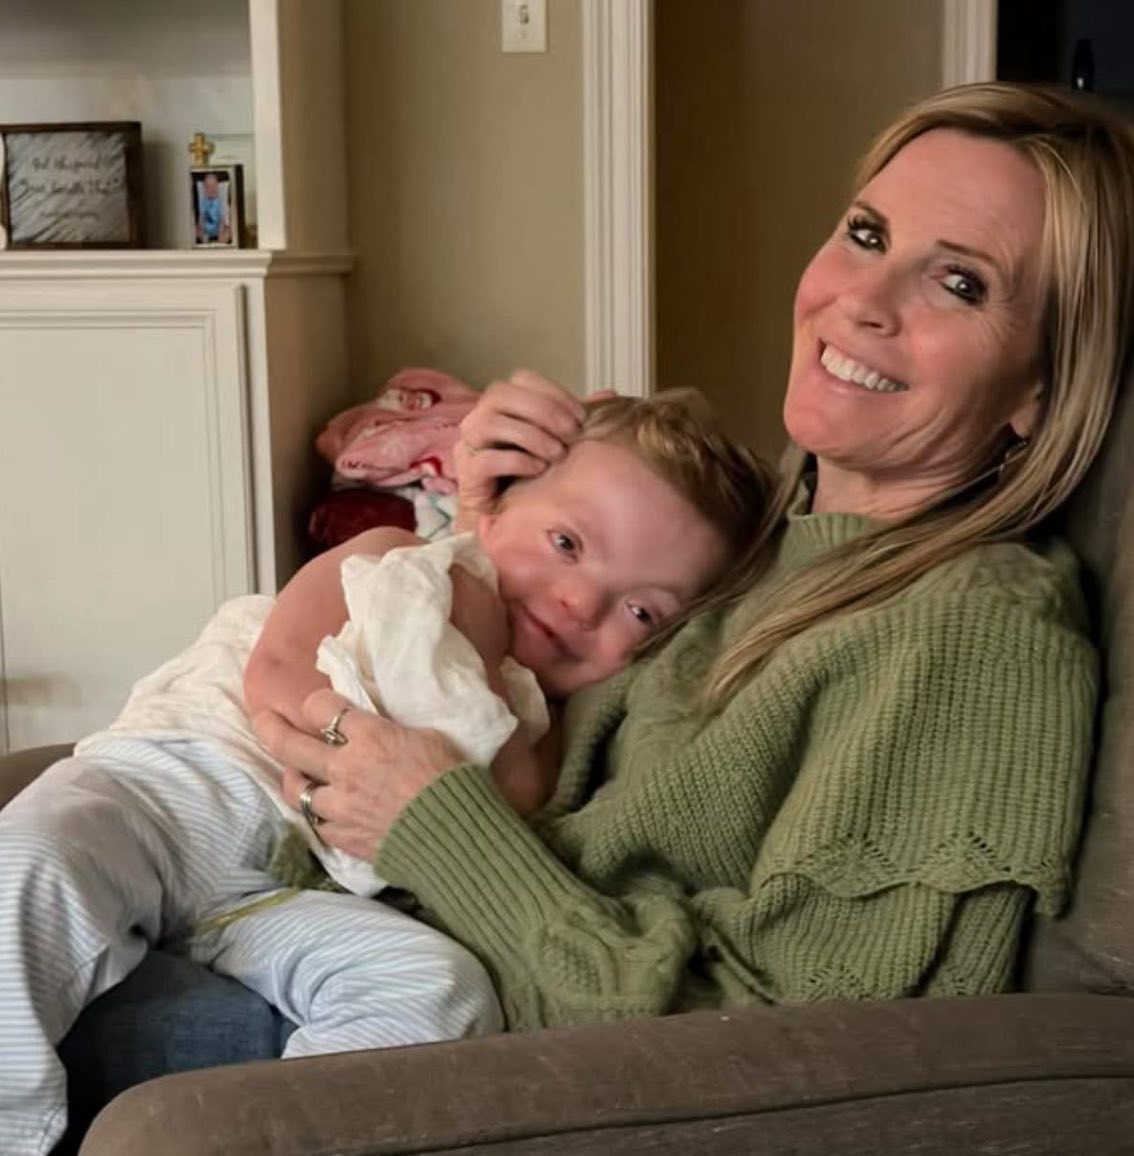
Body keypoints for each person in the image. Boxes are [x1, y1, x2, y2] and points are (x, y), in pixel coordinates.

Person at [250, 81, 1134, 1037]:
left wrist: (432, 829)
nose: (861, 302)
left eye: (960, 283)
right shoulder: (765, 536)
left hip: (422, 1026)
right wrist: (481, 535)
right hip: (319, 917)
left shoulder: (978, 632)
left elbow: (802, 1058)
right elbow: (557, 751)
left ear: (1042, 386)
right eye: (867, 234)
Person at [0, 391, 773, 1156]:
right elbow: (278, 674)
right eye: (567, 543)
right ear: (492, 513)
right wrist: (464, 668)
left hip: (284, 891)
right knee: (34, 857)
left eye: (640, 612)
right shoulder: (398, 564)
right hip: (171, 791)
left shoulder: (545, 722)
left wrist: (493, 694)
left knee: (442, 991)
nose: (580, 601)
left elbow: (513, 807)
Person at [195, 171, 231, 244]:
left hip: (218, 229)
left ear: (217, 187)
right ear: (204, 189)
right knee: (198, 232)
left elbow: (222, 216)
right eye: (208, 187)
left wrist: (222, 228)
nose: (211, 189)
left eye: (213, 186)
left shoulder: (219, 201)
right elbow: (202, 215)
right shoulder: (203, 201)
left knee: (225, 233)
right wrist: (200, 227)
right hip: (206, 229)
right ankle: (205, 240)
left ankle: (219, 242)